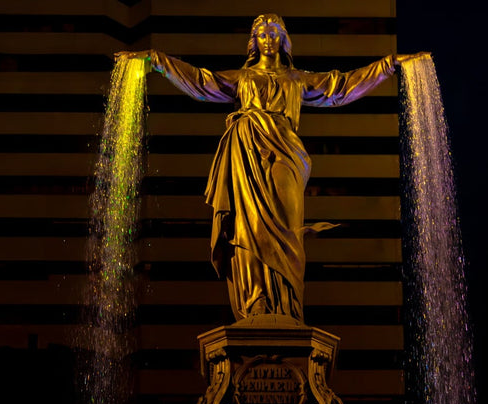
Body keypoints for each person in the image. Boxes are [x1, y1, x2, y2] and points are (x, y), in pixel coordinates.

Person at [119, 14, 425, 322]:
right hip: (246, 149)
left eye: (274, 33)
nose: (268, 39)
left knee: (288, 228)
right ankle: (256, 302)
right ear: (254, 42)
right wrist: (158, 60)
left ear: (283, 40)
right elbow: (200, 81)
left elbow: (342, 86)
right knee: (247, 228)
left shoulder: (298, 79)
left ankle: (289, 308)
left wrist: (388, 65)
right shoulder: (242, 78)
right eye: (262, 34)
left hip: (286, 152)